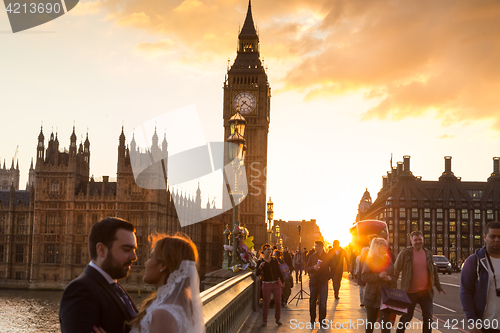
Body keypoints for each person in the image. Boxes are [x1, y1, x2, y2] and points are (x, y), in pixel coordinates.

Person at [59, 217, 139, 333]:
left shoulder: (114, 286)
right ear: (101, 250)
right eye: (126, 249)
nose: (134, 257)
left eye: (134, 250)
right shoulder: (80, 290)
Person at [394, 230, 445, 333]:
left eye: (420, 240)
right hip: (409, 292)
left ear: (423, 240)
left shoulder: (428, 253)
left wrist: (438, 287)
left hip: (426, 292)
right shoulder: (405, 253)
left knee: (428, 318)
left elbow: (433, 272)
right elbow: (396, 269)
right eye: (415, 240)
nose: (418, 242)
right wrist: (392, 286)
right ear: (411, 241)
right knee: (406, 317)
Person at [460, 221, 500, 333]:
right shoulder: (473, 261)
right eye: (493, 236)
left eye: (499, 236)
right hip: (485, 326)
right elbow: (465, 292)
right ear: (484, 237)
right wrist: (472, 322)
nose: (497, 240)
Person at [362, 238, 396, 333]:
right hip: (371, 296)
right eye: (384, 246)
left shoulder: (389, 262)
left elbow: (394, 278)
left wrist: (389, 279)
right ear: (377, 247)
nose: (386, 248)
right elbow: (364, 277)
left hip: (385, 297)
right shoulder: (369, 261)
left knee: (386, 325)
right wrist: (378, 276)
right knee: (370, 323)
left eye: (386, 245)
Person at [306, 240, 334, 327]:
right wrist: (313, 268)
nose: (315, 248)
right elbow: (307, 268)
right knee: (312, 301)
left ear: (321, 247)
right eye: (315, 246)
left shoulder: (328, 257)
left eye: (317, 246)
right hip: (314, 282)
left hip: (323, 282)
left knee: (323, 302)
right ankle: (312, 319)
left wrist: (327, 277)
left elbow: (334, 268)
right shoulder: (312, 257)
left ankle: (322, 320)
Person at [256, 244, 285, 327]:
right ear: (263, 251)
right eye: (268, 249)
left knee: (278, 302)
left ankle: (278, 319)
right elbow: (257, 273)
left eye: (270, 249)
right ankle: (264, 321)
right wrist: (260, 267)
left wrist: (283, 281)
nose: (269, 251)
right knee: (266, 303)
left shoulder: (274, 260)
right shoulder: (260, 261)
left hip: (275, 283)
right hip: (266, 284)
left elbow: (278, 271)